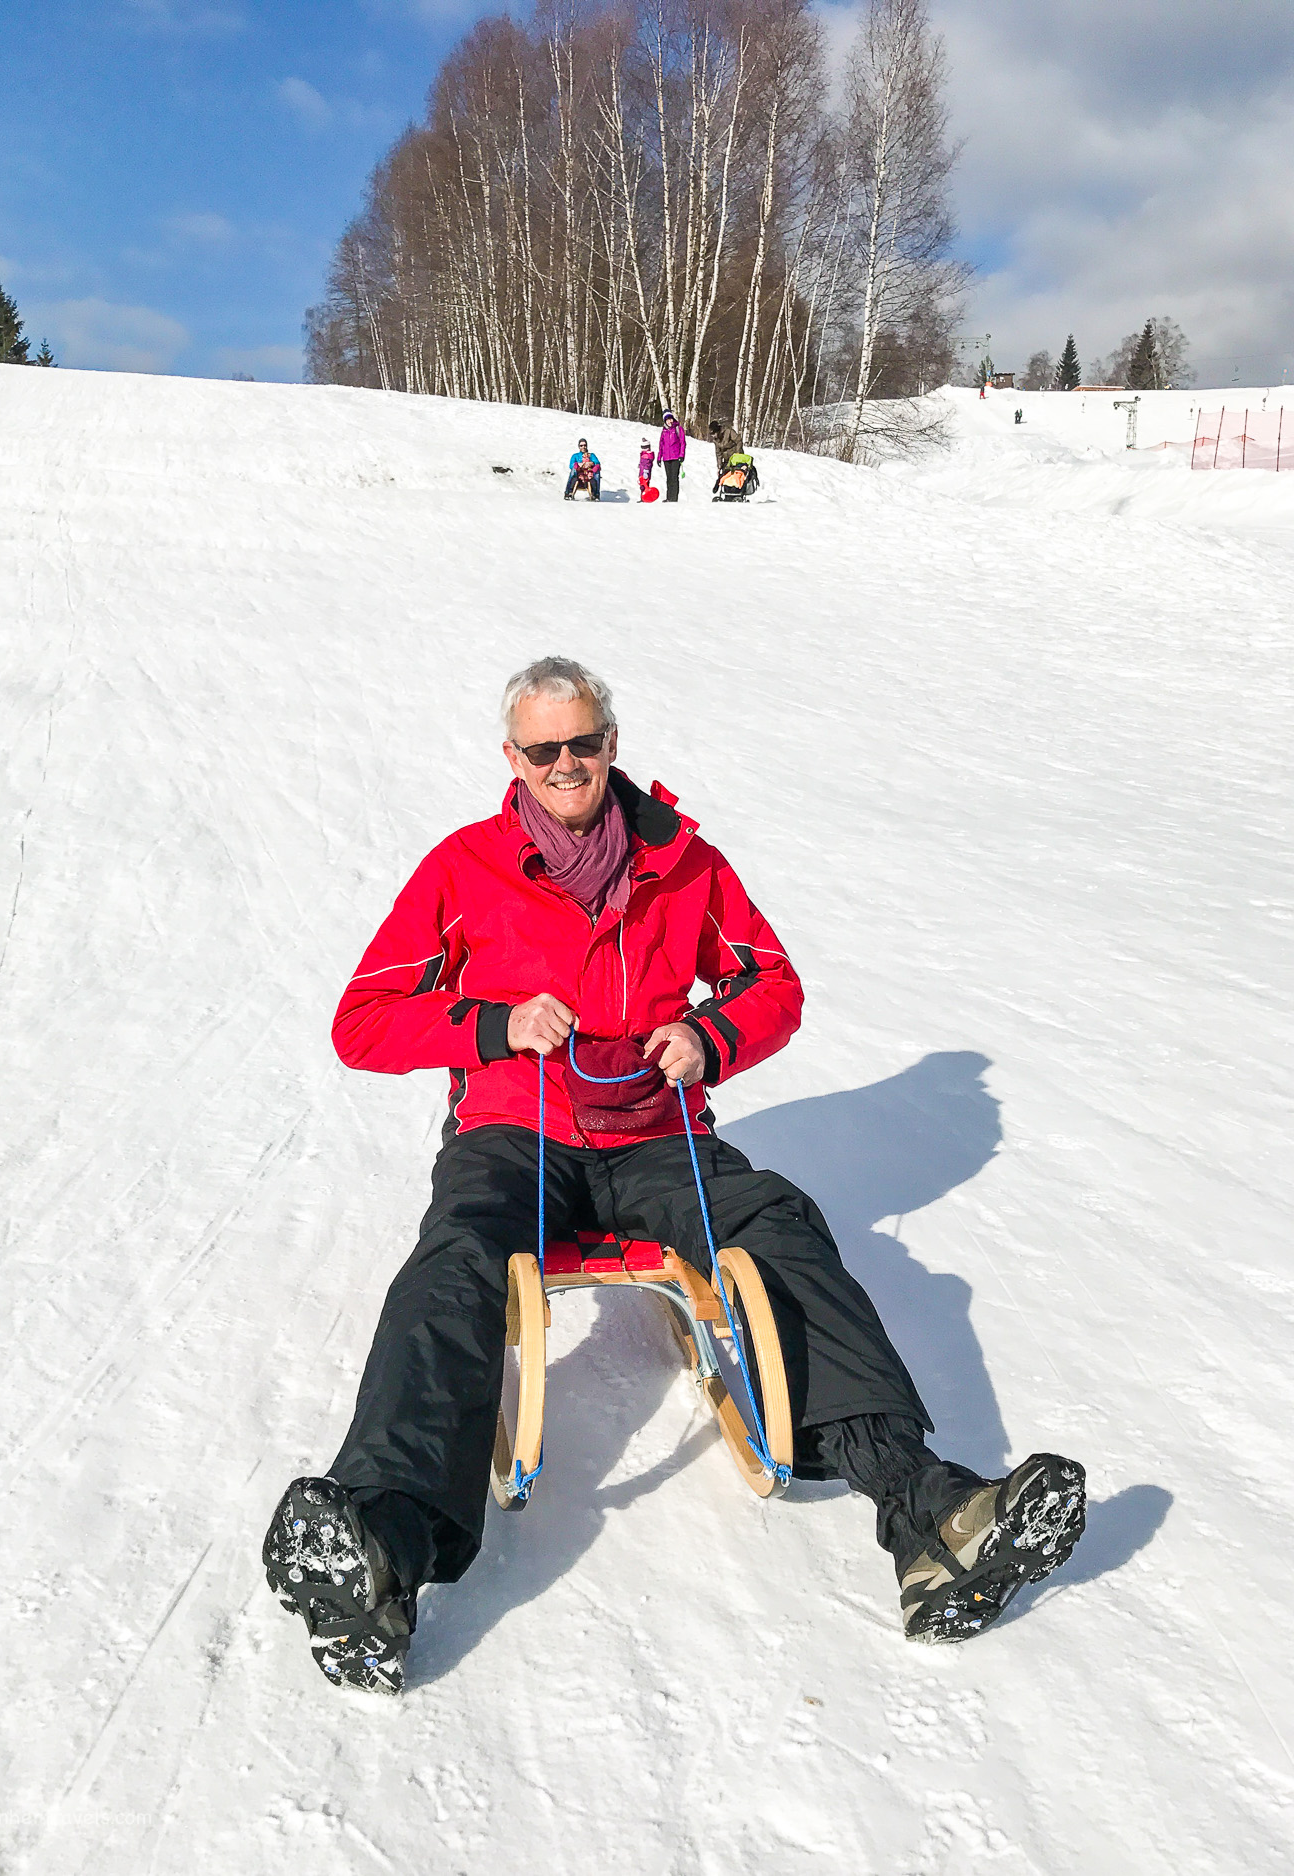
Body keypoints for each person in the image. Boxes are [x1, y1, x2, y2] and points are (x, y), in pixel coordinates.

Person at [262, 657, 1087, 1694]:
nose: (566, 764)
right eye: (543, 748)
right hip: (519, 1130)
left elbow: (770, 981)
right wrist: (492, 1023)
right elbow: (363, 1021)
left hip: (657, 1136)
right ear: (510, 759)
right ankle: (380, 1547)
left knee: (778, 1224)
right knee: (460, 1256)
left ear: (612, 743)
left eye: (584, 742)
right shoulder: (464, 866)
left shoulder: (684, 863)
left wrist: (710, 1033)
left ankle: (928, 1509)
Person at [657, 411, 687, 501]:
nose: (669, 421)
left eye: (670, 419)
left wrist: (681, 455)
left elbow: (683, 443)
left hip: (675, 457)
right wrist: (659, 457)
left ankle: (674, 498)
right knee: (669, 478)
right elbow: (661, 445)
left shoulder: (678, 429)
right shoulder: (664, 431)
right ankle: (669, 497)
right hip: (666, 458)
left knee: (674, 478)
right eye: (667, 420)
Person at [638, 434, 655, 499]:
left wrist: (646, 471)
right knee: (642, 486)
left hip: (645, 473)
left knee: (645, 486)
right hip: (642, 472)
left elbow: (648, 464)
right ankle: (642, 497)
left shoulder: (647, 455)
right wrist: (640, 465)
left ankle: (644, 498)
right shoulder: (644, 454)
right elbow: (643, 462)